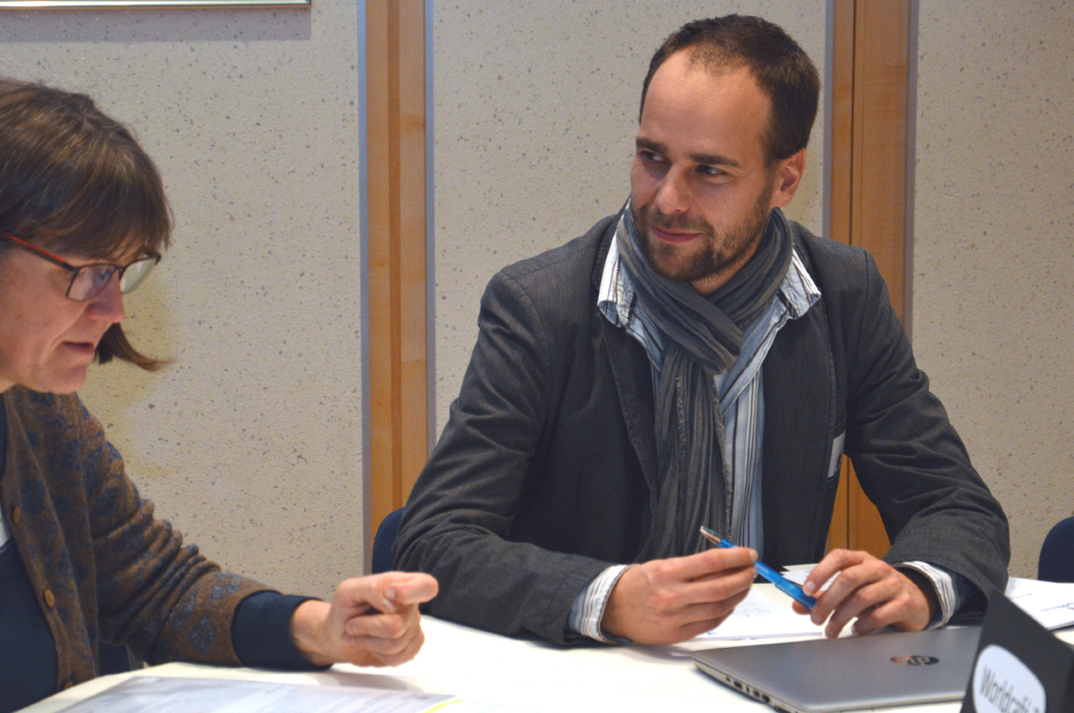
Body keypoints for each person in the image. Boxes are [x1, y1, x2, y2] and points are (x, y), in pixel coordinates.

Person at [0, 77, 437, 713]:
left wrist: (322, 628)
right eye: (85, 274)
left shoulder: (36, 413)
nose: (112, 310)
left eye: (121, 273)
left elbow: (158, 588)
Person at [393, 15, 1008, 647]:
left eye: (709, 172)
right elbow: (434, 540)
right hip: (586, 676)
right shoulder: (542, 306)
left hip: (769, 671)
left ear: (786, 179)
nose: (667, 199)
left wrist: (917, 585)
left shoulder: (842, 295)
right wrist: (605, 597)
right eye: (652, 159)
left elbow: (955, 506)